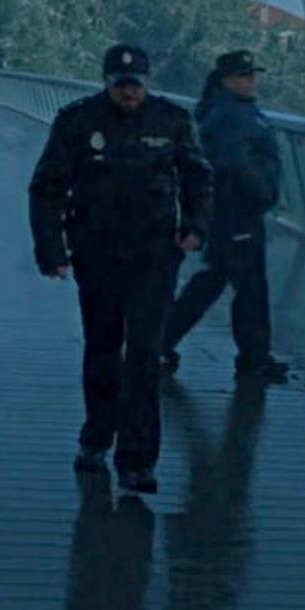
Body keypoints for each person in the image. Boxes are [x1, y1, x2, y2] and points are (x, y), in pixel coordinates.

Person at [29, 44, 211, 493]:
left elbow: (197, 178)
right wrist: (51, 250)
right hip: (98, 255)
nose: (129, 92)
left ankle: (138, 462)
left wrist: (195, 226)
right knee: (103, 352)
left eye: (136, 84)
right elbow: (47, 189)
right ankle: (96, 440)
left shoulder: (171, 122)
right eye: (120, 84)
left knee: (145, 357)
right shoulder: (78, 122)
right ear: (106, 82)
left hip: (153, 258)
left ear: (148, 83)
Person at [161, 49, 289, 384]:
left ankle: (163, 342)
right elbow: (234, 164)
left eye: (252, 74)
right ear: (226, 79)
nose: (251, 80)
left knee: (219, 279)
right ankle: (252, 359)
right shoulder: (229, 115)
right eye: (244, 75)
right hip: (237, 211)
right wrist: (261, 192)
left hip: (232, 211)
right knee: (246, 287)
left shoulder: (227, 111)